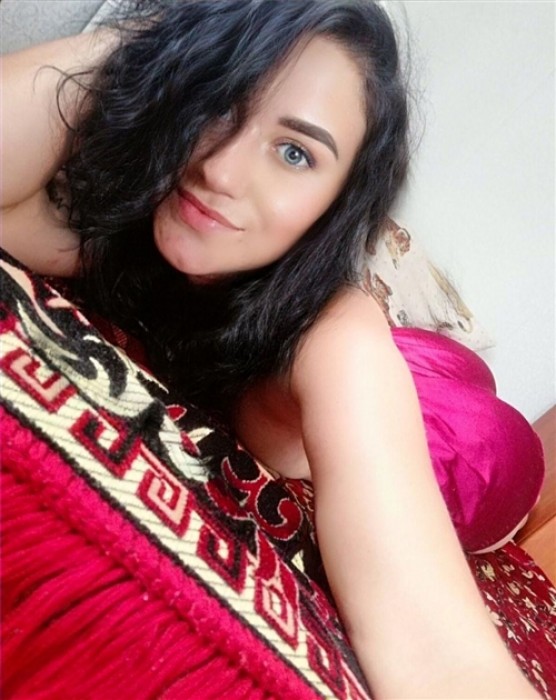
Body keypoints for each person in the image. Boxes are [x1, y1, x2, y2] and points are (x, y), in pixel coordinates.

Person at [0, 1, 543, 697]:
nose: (222, 171)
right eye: (222, 103)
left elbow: (431, 643)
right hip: (389, 373)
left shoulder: (334, 330)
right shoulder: (138, 223)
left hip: (453, 435)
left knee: (483, 429)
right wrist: (164, 47)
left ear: (336, 207)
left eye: (295, 153)